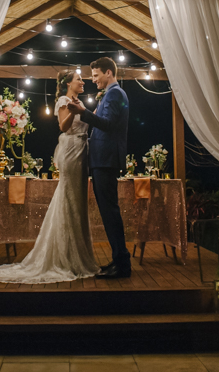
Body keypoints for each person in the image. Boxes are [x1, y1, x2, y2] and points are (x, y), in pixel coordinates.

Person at [0, 70, 100, 284]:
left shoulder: (77, 100)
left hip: (82, 149)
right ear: (68, 84)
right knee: (70, 199)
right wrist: (73, 111)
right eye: (79, 79)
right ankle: (65, 258)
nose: (83, 82)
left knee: (78, 202)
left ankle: (77, 255)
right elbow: (63, 126)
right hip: (71, 150)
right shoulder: (64, 101)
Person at [67, 56, 131, 278]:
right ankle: (118, 260)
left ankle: (122, 264)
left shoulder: (114, 94)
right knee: (108, 212)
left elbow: (108, 124)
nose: (93, 80)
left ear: (109, 73)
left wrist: (82, 113)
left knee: (110, 212)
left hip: (106, 160)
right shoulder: (111, 94)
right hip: (103, 160)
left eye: (96, 75)